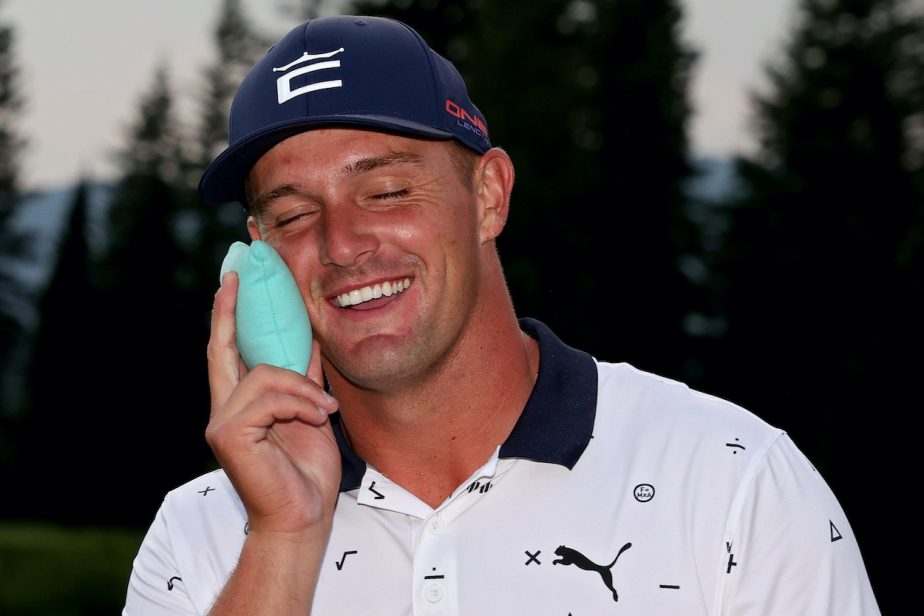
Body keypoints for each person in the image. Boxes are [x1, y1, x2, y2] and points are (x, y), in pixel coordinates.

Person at [123, 14, 880, 615]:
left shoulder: (733, 484)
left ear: (488, 195)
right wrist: (284, 539)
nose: (342, 244)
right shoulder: (202, 535)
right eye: (292, 215)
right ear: (258, 254)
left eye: (386, 192)